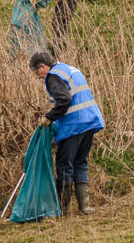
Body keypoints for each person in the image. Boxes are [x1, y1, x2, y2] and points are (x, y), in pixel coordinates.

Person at [30, 49, 105, 215]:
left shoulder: (53, 76)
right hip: (90, 121)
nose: (39, 77)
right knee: (80, 163)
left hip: (73, 125)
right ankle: (85, 207)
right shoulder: (69, 69)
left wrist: (50, 117)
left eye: (37, 73)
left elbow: (64, 100)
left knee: (65, 166)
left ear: (42, 66)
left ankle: (62, 209)